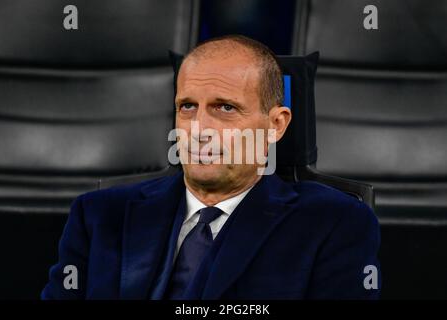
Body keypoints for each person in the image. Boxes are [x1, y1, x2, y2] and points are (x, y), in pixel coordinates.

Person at [42, 35, 380, 299]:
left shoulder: (334, 222)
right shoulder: (98, 214)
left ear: (276, 125)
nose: (198, 128)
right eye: (187, 106)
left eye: (225, 108)